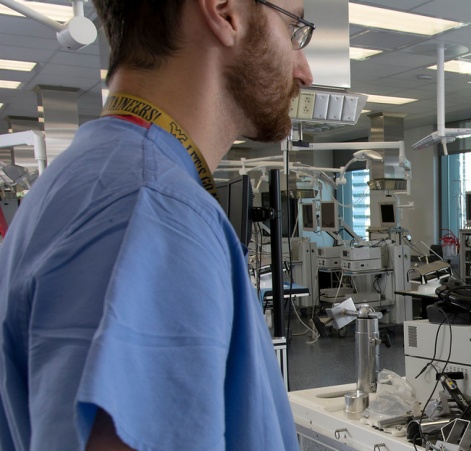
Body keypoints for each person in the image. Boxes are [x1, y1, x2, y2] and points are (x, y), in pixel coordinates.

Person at [0, 0, 312, 449]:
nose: (305, 70)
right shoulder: (154, 210)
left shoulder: (84, 177)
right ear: (225, 12)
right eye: (294, 30)